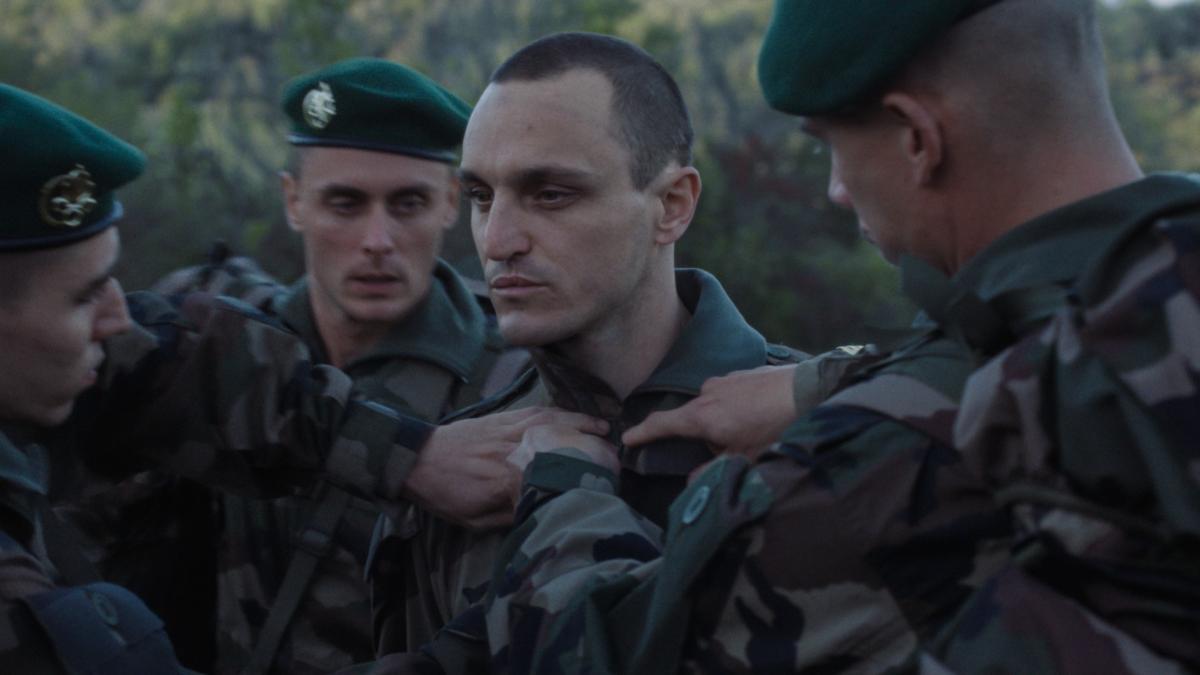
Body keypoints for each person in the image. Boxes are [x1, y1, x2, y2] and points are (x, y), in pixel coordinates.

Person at [479, 1, 1200, 672]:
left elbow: (601, 650)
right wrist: (824, 383)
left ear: (917, 139)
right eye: (479, 198)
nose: (837, 190)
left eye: (834, 148)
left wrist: (563, 487)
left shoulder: (872, 465)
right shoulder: (1150, 295)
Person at [0, 82, 605, 673]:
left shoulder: (520, 379)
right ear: (294, 201)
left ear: (450, 202)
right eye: (345, 204)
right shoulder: (226, 321)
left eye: (408, 204)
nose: (376, 242)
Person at [362, 32, 807, 666]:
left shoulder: (812, 433)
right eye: (483, 198)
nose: (499, 240)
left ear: (672, 207)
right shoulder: (464, 467)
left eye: (552, 194)